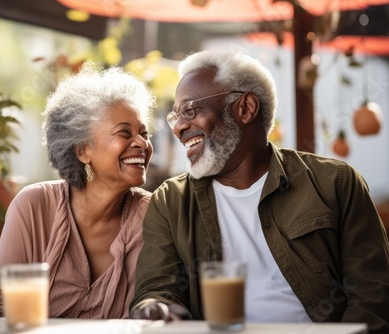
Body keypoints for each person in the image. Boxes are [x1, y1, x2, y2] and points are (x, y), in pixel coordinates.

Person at [129, 49, 389, 333]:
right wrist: (157, 306)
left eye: (190, 110)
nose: (179, 127)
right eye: (175, 116)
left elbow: (372, 294)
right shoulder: (171, 201)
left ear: (246, 108)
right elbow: (157, 289)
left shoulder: (336, 183)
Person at [0, 63, 155, 319]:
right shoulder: (33, 206)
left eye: (144, 133)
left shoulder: (153, 216)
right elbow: (2, 308)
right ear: (82, 151)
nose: (142, 143)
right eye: (125, 132)